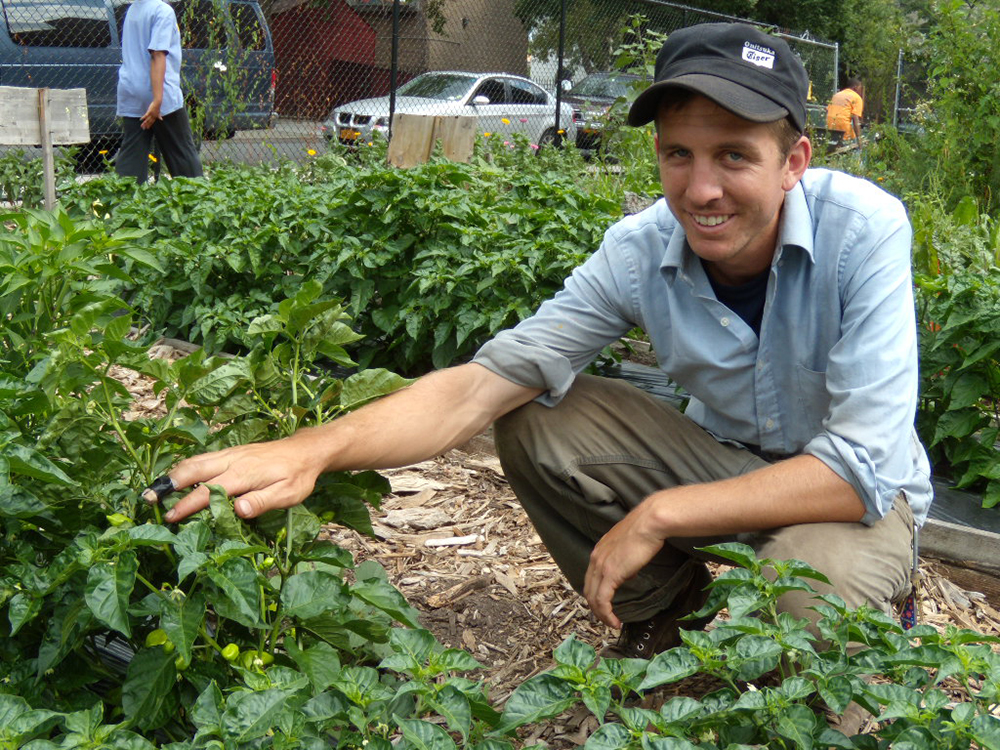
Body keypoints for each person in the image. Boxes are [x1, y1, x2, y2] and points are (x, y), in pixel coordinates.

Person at [152, 23, 930, 665]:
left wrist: (659, 513)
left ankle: (866, 627)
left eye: (734, 156)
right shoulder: (640, 249)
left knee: (808, 590)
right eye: (677, 154)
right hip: (724, 458)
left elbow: (856, 469)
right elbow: (481, 386)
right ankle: (665, 614)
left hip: (855, 502)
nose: (701, 190)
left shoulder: (863, 232)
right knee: (536, 414)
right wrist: (308, 451)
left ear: (794, 161)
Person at [115, 0, 203, 183]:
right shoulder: (163, 11)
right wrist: (157, 100)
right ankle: (198, 202)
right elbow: (157, 54)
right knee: (182, 154)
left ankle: (123, 205)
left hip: (131, 91)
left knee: (132, 155)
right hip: (160, 95)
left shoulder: (133, 9)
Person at [826, 78, 864, 152]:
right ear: (855, 87)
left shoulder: (837, 95)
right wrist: (859, 140)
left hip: (830, 129)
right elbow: (856, 120)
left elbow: (827, 110)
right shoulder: (856, 98)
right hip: (844, 131)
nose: (861, 90)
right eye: (860, 87)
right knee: (856, 150)